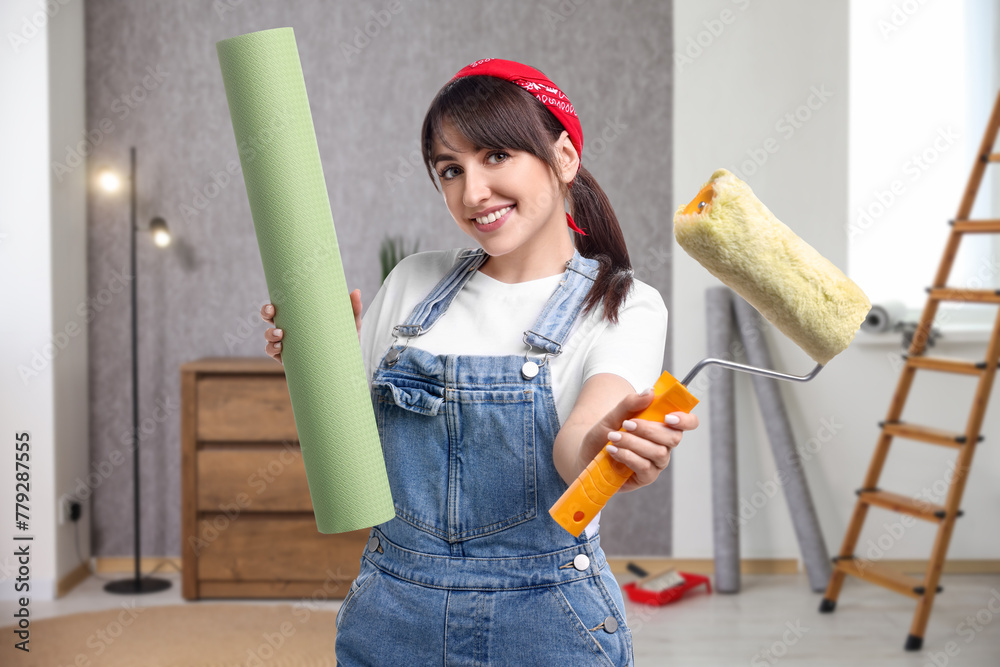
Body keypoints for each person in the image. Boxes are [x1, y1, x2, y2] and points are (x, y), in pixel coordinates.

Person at [260, 57, 698, 666]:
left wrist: (609, 446)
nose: (473, 193)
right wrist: (314, 368)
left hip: (547, 622)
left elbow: (578, 446)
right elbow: (348, 452)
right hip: (392, 613)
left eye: (495, 156)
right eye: (450, 169)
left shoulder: (622, 303)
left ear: (564, 157)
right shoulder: (412, 283)